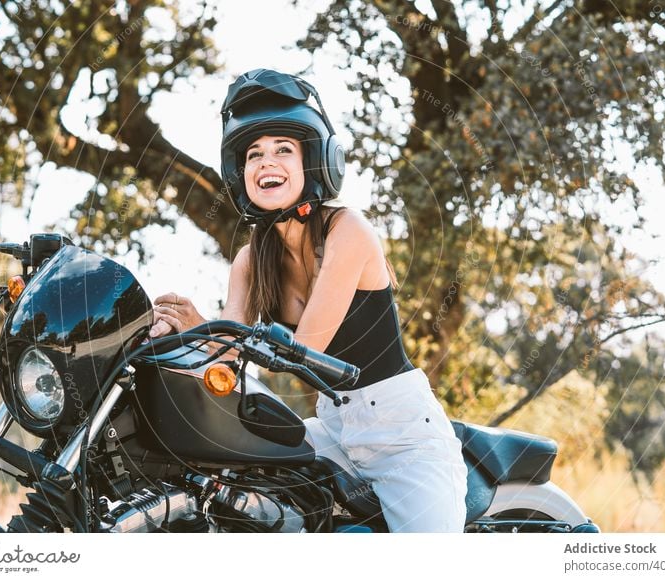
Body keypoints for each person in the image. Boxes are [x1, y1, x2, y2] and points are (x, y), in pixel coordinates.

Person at [149, 69, 468, 532]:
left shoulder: (348, 231)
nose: (266, 162)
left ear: (314, 162)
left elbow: (308, 349)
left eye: (283, 149)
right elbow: (227, 357)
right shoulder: (249, 259)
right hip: (333, 429)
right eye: (253, 154)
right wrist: (180, 330)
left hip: (403, 434)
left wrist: (212, 331)